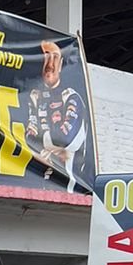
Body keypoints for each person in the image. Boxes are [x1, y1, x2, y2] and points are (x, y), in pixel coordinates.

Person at [25, 40, 89, 192]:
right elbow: (29, 138)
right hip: (43, 183)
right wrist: (51, 146)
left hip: (72, 187)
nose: (50, 65)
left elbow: (65, 138)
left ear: (60, 65)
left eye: (54, 57)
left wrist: (42, 144)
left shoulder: (72, 97)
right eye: (46, 57)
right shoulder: (35, 96)